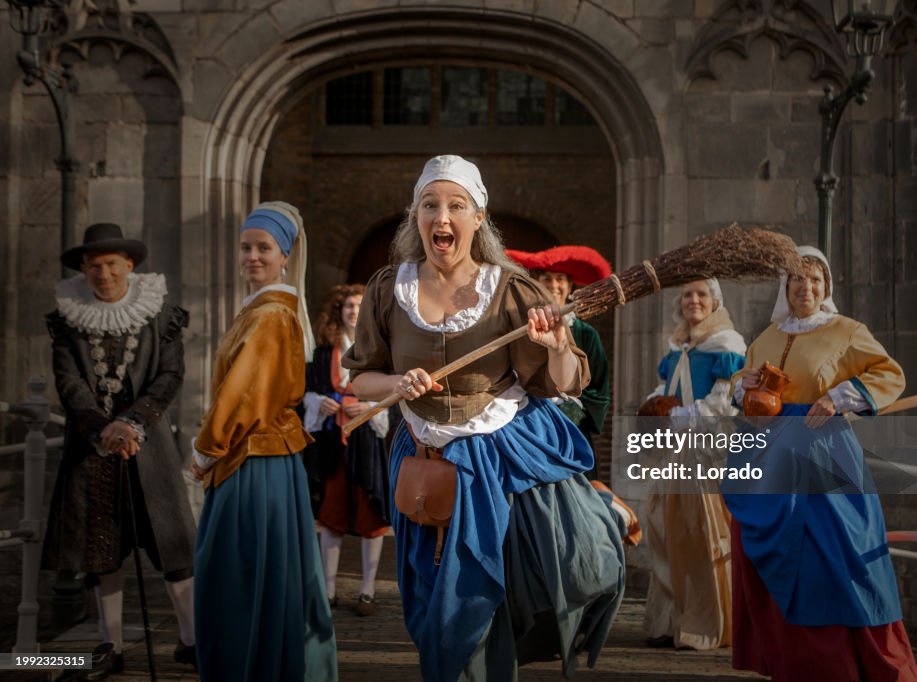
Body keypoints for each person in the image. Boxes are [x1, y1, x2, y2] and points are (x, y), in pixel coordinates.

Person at [344, 155, 625, 682]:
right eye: (431, 205)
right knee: (428, 604)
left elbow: (564, 382)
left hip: (490, 465)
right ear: (416, 216)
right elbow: (361, 378)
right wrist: (396, 384)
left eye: (457, 206)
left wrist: (559, 344)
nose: (442, 218)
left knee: (474, 605)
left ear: (479, 219)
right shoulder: (388, 289)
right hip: (418, 461)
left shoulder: (513, 291)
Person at [726, 246, 917, 681]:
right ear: (785, 286)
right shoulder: (768, 336)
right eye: (796, 279)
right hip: (767, 452)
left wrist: (838, 396)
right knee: (768, 552)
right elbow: (741, 378)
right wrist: (745, 383)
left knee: (836, 554)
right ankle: (791, 661)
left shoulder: (847, 331)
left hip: (823, 452)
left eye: (815, 279)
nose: (805, 287)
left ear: (826, 286)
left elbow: (889, 373)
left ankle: (849, 666)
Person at [190, 202, 337, 682]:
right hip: (264, 461)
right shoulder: (265, 309)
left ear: (285, 256)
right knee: (257, 577)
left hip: (253, 463)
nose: (252, 256)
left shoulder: (272, 314)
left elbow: (244, 396)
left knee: (238, 577)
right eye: (245, 247)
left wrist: (204, 448)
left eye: (264, 248)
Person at [44, 222, 196, 680]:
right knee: (100, 550)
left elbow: (169, 376)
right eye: (94, 266)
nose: (103, 274)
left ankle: (190, 642)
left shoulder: (160, 316)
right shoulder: (68, 321)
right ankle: (111, 646)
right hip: (93, 451)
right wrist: (102, 429)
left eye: (111, 264)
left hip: (148, 450)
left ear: (129, 265)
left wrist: (132, 423)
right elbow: (69, 383)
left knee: (173, 548)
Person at [641, 278, 745, 650]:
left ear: (715, 301)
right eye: (687, 294)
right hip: (673, 447)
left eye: (702, 294)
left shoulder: (727, 344)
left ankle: (706, 623)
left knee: (702, 532)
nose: (693, 300)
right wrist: (654, 405)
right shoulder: (676, 346)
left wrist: (683, 416)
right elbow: (664, 388)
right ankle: (671, 619)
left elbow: (724, 401)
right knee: (665, 530)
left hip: (706, 445)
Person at [303, 284, 390, 615]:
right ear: (339, 311)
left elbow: (393, 395)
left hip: (366, 440)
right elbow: (306, 391)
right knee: (332, 515)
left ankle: (367, 591)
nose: (354, 311)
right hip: (332, 441)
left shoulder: (381, 349)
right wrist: (317, 401)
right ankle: (328, 588)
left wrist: (369, 407)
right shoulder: (324, 352)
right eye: (349, 306)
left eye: (359, 305)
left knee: (371, 514)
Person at [505, 246, 611, 450]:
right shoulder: (518, 329)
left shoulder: (586, 334)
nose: (553, 285)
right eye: (546, 278)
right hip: (525, 428)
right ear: (535, 285)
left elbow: (599, 390)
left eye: (560, 278)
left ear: (570, 286)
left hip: (570, 430)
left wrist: (572, 412)